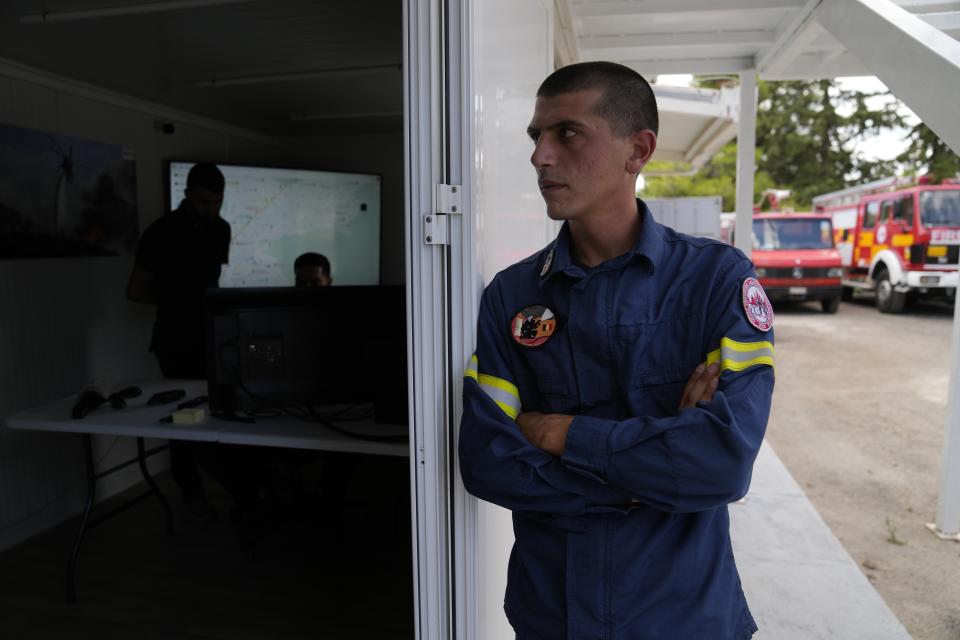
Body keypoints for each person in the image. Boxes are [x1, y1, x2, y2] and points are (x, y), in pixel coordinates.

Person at [458, 62, 775, 639]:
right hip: (552, 613)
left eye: (567, 133)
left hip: (681, 617)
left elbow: (722, 463)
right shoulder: (512, 294)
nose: (540, 157)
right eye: (536, 137)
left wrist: (560, 434)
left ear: (638, 150)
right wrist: (651, 470)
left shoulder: (715, 282)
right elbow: (487, 461)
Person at [127, 162, 231, 519]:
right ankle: (191, 490)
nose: (212, 210)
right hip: (176, 340)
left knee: (219, 411)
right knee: (186, 418)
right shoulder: (161, 233)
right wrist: (180, 300)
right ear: (186, 195)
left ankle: (232, 487)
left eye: (218, 202)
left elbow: (213, 282)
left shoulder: (221, 229)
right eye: (204, 202)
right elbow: (136, 291)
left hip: (213, 335)